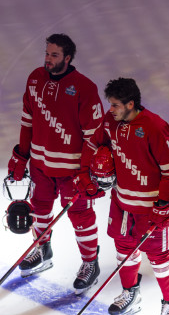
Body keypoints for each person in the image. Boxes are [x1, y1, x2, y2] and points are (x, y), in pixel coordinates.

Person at [82, 77, 169, 315]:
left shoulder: (154, 127)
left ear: (130, 104)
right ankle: (131, 294)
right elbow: (92, 144)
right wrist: (86, 174)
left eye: (115, 105)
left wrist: (163, 203)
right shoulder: (110, 121)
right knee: (124, 251)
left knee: (159, 258)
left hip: (150, 207)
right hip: (121, 201)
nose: (110, 109)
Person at [8, 34, 102, 288]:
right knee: (39, 210)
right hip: (40, 163)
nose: (48, 60)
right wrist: (21, 154)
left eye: (54, 55)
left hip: (72, 170)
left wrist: (86, 171)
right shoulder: (35, 78)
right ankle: (42, 250)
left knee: (81, 216)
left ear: (68, 58)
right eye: (47, 54)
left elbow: (93, 136)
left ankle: (90, 262)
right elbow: (27, 120)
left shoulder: (85, 87)